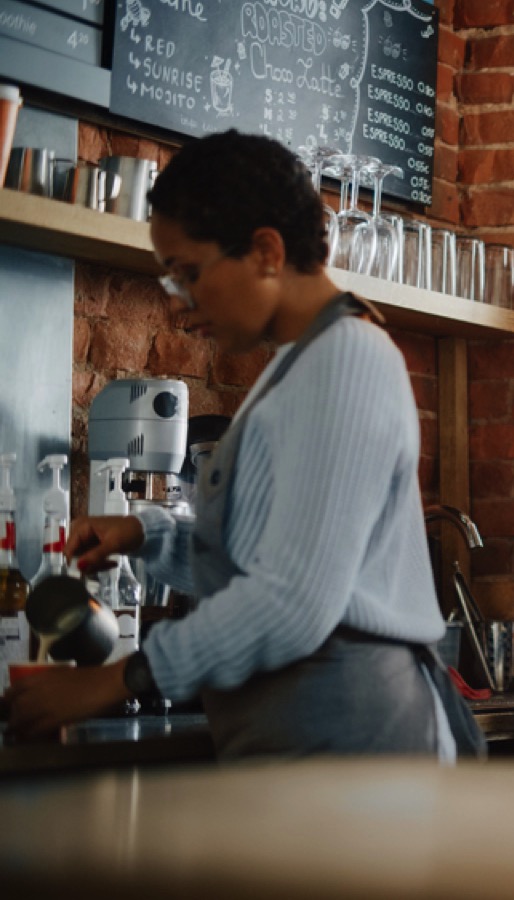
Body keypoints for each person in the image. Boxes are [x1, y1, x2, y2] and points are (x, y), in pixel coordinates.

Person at [2, 130, 484, 760]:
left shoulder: (348, 361)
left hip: (350, 738)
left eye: (188, 274)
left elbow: (291, 601)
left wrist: (117, 680)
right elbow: (262, 551)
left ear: (264, 251)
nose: (180, 306)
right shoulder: (294, 367)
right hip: (299, 735)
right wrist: (147, 535)